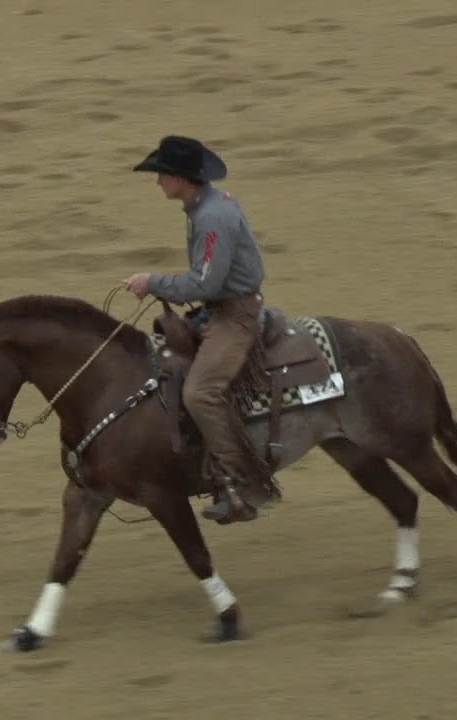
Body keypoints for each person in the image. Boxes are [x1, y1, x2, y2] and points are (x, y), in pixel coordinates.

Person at [122, 135, 273, 525]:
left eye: (161, 175)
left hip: (234, 317)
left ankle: (240, 485)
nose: (157, 182)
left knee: (200, 392)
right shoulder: (203, 206)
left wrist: (152, 282)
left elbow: (204, 283)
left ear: (180, 178)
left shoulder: (210, 218)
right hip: (219, 310)